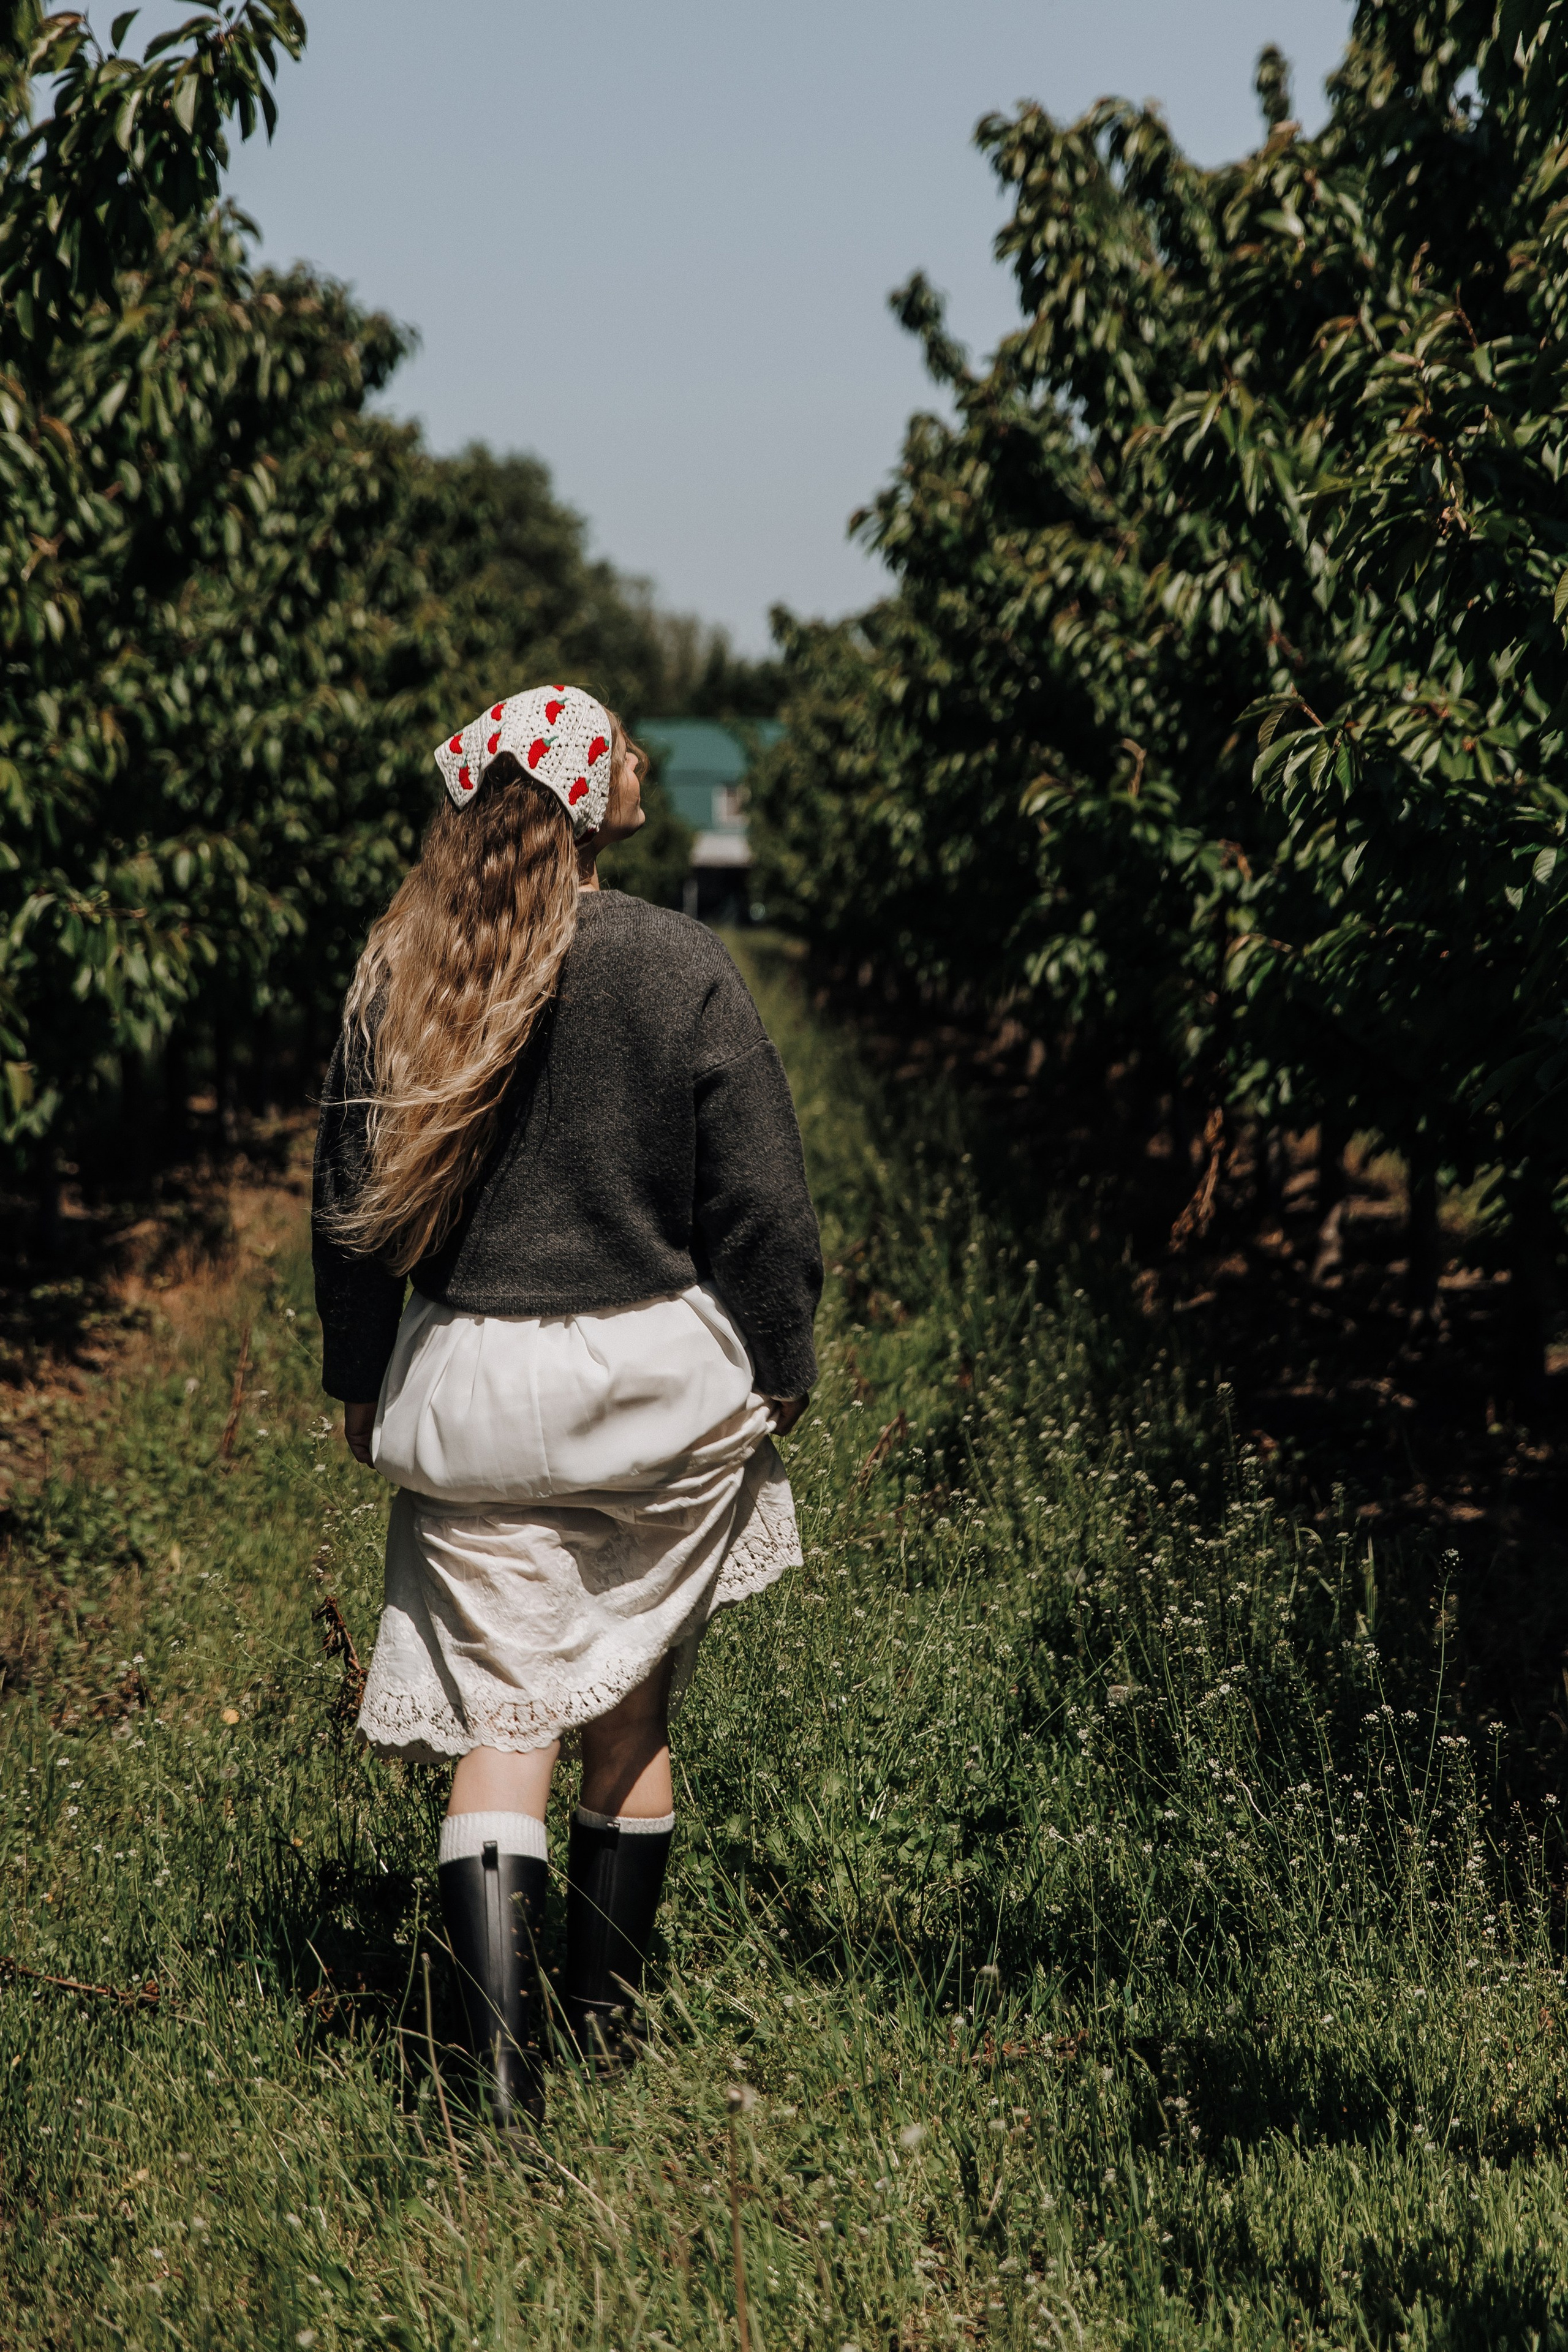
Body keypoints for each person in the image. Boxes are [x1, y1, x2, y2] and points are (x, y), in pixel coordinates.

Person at [311, 683, 821, 2126]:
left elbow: (346, 1207)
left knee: (502, 1719)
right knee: (628, 1714)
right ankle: (604, 2039)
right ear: (599, 798)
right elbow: (762, 1206)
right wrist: (780, 1355)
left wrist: (359, 1376)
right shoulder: (681, 965)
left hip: (475, 1391)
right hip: (651, 1399)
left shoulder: (403, 969)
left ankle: (487, 2084)